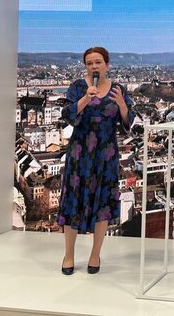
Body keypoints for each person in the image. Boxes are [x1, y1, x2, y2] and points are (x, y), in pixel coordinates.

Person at [57, 47, 134, 275]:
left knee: (102, 204)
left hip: (106, 155)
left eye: (98, 62)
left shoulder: (118, 89)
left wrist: (121, 104)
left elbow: (128, 123)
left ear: (107, 64)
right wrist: (84, 99)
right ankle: (68, 254)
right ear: (85, 66)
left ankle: (95, 254)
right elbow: (67, 115)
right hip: (79, 153)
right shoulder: (78, 87)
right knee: (73, 201)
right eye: (89, 63)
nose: (94, 66)